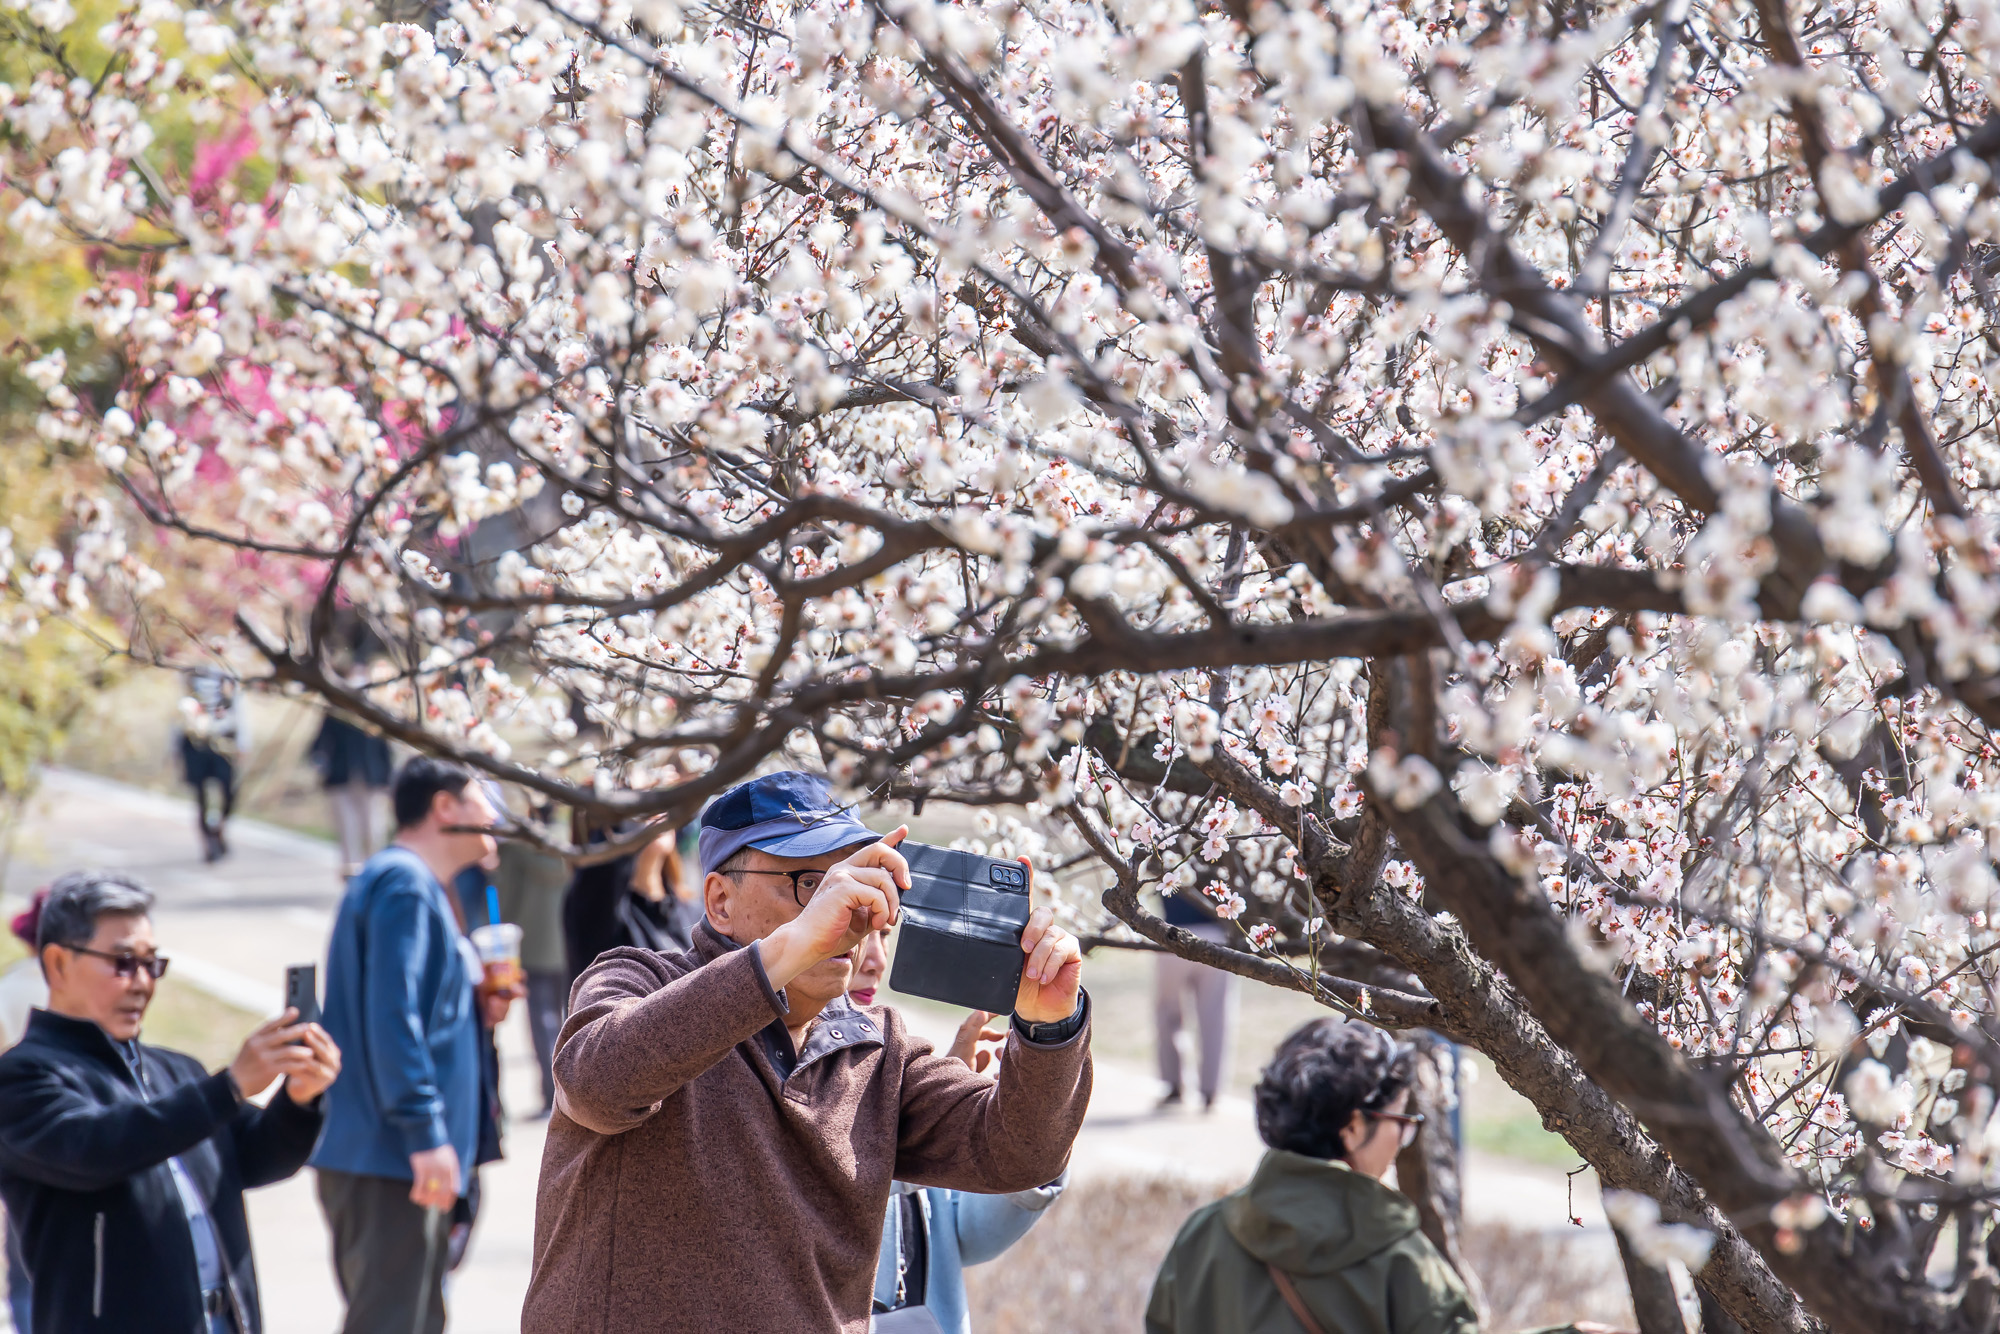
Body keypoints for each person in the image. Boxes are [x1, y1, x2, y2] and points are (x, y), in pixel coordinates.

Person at [524, 770, 1093, 1334]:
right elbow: (597, 1082)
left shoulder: (879, 1048)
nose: (846, 911)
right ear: (720, 902)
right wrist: (789, 951)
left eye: (856, 880)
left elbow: (1020, 1154)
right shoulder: (639, 980)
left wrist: (1050, 1025)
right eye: (808, 883)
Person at [0, 871, 340, 1334]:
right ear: (58, 963)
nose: (142, 982)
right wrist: (231, 1086)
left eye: (151, 964)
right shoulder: (22, 1078)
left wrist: (300, 1098)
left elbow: (254, 1157)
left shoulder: (175, 1071)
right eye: (122, 963)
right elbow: (99, 1148)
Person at [1146, 1019, 1620, 1334]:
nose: (1403, 1139)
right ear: (1354, 1127)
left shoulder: (1202, 1236)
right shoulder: (1396, 1258)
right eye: (1401, 1121)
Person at [313, 757, 522, 1334]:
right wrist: (424, 1130)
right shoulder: (404, 882)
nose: (495, 818)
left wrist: (476, 1009)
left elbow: (418, 1011)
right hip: (392, 1156)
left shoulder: (421, 887)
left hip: (403, 1156)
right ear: (444, 807)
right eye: (484, 801)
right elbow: (392, 1016)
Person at [849, 927, 1066, 1333]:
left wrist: (1025, 1118)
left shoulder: (893, 1061)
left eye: (884, 932)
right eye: (853, 928)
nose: (875, 959)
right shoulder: (754, 1069)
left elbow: (969, 1235)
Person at [493, 805, 571, 1117]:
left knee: (541, 1022)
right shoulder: (574, 844)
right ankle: (570, 1092)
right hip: (568, 941)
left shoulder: (514, 848)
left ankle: (550, 1093)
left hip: (532, 942)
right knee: (570, 1017)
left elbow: (503, 895)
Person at [561, 820, 698, 981]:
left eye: (661, 804)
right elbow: (600, 874)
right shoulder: (597, 913)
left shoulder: (693, 910)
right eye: (643, 811)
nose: (657, 814)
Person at [0, 892, 48, 1330]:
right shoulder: (85, 993)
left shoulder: (10, 988)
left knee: (23, 1261)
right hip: (76, 1135)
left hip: (17, 1137)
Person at [1155, 890, 1236, 1111]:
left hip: (1173, 933)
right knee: (1214, 1016)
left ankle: (1174, 1083)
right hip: (1213, 935)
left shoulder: (1161, 854)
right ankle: (1211, 1089)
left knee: (1168, 1014)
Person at [309, 707, 393, 882]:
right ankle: (350, 872)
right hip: (341, 776)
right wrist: (321, 763)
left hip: (371, 777)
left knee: (373, 827)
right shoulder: (336, 708)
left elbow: (384, 745)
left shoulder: (376, 707)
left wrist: (387, 776)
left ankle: (374, 870)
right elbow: (320, 742)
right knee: (347, 827)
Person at [177, 665, 249, 862]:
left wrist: (242, 744)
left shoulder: (228, 673)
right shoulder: (189, 673)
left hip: (224, 744)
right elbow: (179, 715)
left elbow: (239, 710)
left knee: (229, 792)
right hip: (196, 745)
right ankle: (208, 842)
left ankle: (219, 827)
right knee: (201, 797)